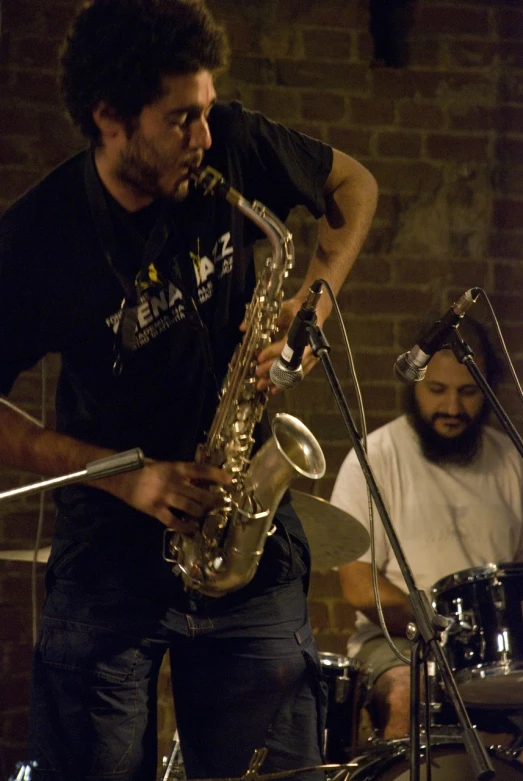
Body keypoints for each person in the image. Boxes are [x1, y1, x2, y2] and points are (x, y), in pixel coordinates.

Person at [0, 0, 378, 779]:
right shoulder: (39, 236)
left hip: (246, 534)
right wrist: (122, 473)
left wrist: (315, 298)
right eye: (181, 120)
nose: (206, 138)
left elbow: (354, 184)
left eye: (206, 111)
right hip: (108, 560)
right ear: (109, 118)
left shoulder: (229, 143)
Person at [330, 317, 523, 741]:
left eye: (468, 392)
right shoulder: (375, 457)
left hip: (495, 650)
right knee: (406, 695)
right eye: (437, 390)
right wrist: (443, 633)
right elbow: (358, 586)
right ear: (414, 384)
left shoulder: (511, 458)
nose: (452, 408)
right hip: (400, 642)